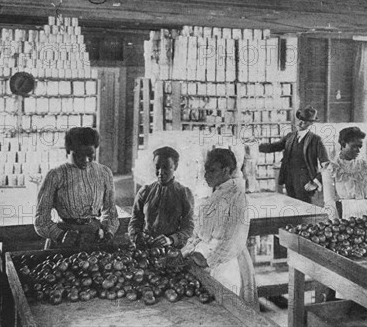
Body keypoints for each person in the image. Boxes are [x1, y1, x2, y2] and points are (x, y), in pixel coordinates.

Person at [181, 149, 257, 306]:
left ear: (226, 170)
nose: (206, 175)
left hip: (227, 265)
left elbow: (232, 239)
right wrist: (185, 252)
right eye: (206, 170)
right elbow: (199, 232)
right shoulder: (216, 194)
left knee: (225, 309)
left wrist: (207, 261)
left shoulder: (236, 197)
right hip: (207, 260)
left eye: (212, 170)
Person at [35, 127, 119, 249]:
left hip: (94, 236)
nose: (86, 160)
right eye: (79, 155)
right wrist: (59, 235)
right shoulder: (55, 175)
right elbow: (41, 219)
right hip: (64, 239)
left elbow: (111, 212)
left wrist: (108, 232)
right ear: (68, 151)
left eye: (91, 155)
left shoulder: (104, 173)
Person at [258, 105, 329, 204]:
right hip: (289, 180)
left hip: (306, 183)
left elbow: (326, 165)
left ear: (311, 123)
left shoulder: (316, 140)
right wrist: (256, 146)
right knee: (292, 207)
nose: (300, 123)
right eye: (300, 119)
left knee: (305, 209)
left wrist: (315, 182)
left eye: (304, 121)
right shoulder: (290, 136)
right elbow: (273, 146)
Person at [128, 146, 195, 248]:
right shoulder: (145, 191)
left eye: (165, 167)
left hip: (171, 251)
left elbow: (189, 228)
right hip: (145, 250)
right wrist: (137, 236)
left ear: (175, 166)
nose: (160, 172)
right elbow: (134, 222)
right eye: (157, 167)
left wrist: (171, 239)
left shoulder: (184, 193)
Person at [322, 127, 367, 219]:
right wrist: (335, 224)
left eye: (360, 146)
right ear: (343, 144)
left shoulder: (364, 167)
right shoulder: (331, 169)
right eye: (354, 146)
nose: (358, 150)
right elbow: (329, 202)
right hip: (344, 216)